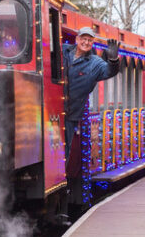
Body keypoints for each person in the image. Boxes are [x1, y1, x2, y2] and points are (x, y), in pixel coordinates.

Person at [52, 26, 119, 224]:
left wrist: (114, 60)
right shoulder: (63, 50)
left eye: (90, 40)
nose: (86, 42)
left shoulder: (96, 63)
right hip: (51, 112)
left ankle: (61, 200)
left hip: (71, 116)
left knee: (62, 156)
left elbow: (109, 72)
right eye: (84, 38)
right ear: (77, 39)